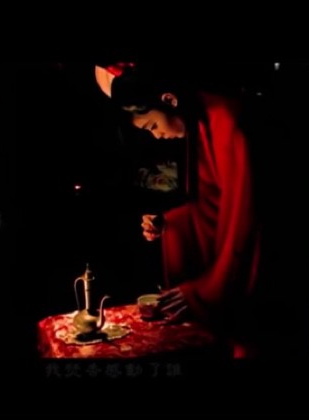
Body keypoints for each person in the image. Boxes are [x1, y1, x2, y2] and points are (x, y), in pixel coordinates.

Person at [95, 62, 262, 358]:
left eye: (152, 126)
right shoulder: (201, 120)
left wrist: (204, 291)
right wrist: (169, 224)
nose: (157, 135)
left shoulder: (227, 121)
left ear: (170, 100)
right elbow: (209, 206)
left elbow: (244, 222)